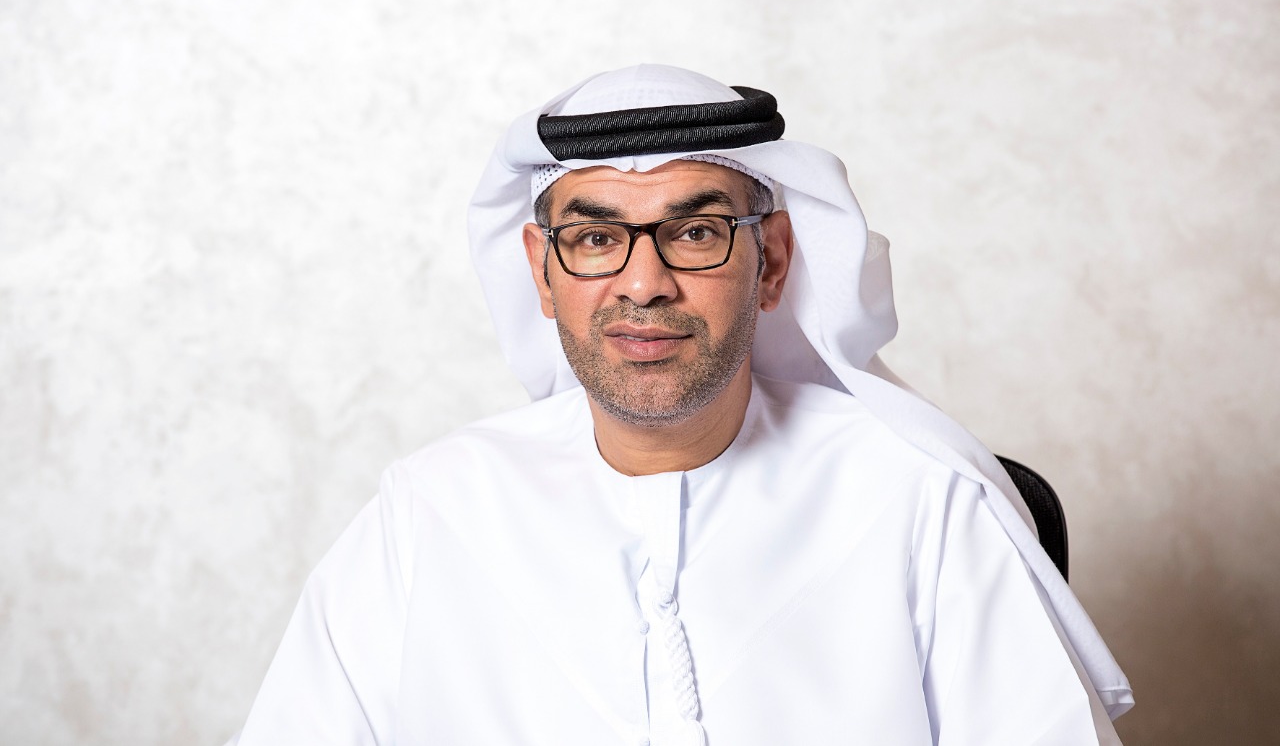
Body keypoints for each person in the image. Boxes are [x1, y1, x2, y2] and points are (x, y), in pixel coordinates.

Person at [230, 65, 1133, 745]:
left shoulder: (921, 499)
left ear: (772, 261)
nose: (644, 283)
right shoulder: (430, 511)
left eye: (696, 232)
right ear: (542, 272)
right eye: (595, 238)